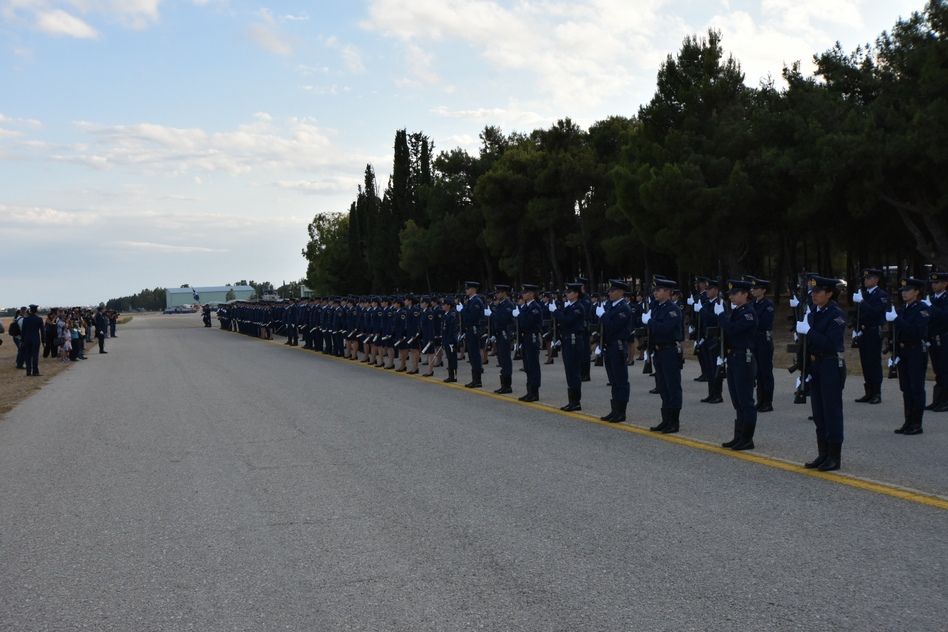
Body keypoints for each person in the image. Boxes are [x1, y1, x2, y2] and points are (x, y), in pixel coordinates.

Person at [795, 275, 846, 471]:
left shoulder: (836, 314)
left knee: (831, 411)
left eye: (818, 292)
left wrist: (809, 332)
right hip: (815, 366)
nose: (814, 295)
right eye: (812, 292)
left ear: (829, 294)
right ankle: (823, 453)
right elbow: (807, 345)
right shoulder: (813, 313)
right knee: (818, 411)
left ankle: (834, 456)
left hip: (830, 364)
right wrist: (804, 368)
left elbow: (832, 344)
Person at [716, 280, 758, 450]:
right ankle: (739, 436)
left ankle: (747, 438)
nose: (731, 297)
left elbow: (732, 329)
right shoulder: (737, 312)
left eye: (734, 294)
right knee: (737, 401)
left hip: (743, 359)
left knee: (746, 400)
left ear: (745, 294)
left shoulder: (749, 314)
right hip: (733, 358)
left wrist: (721, 316)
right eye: (730, 294)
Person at [888, 277, 931, 435]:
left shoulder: (922, 309)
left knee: (916, 388)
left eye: (908, 290)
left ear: (917, 292)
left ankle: (917, 423)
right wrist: (893, 352)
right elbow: (896, 333)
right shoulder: (902, 309)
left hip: (916, 351)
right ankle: (908, 421)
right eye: (903, 291)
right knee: (906, 388)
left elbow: (916, 331)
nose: (904, 293)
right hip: (903, 351)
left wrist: (897, 320)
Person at [646, 277, 684, 433]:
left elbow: (664, 328)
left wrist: (649, 321)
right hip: (659, 351)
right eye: (654, 290)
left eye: (658, 290)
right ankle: (665, 419)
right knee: (662, 386)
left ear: (668, 292)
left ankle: (674, 421)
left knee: (672, 386)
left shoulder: (673, 309)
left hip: (669, 350)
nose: (655, 292)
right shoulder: (657, 307)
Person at [851, 268, 888, 404]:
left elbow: (875, 312)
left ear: (876, 279)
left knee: (874, 362)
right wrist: (855, 327)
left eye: (869, 278)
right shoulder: (864, 295)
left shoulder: (881, 295)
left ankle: (877, 392)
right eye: (865, 278)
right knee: (865, 362)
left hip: (873, 331)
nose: (866, 280)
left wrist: (861, 302)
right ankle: (869, 391)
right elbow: (858, 315)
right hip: (863, 332)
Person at [598, 280, 633, 422]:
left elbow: (613, 326)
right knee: (613, 380)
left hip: (618, 346)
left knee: (621, 380)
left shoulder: (624, 308)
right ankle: (615, 410)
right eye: (609, 290)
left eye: (613, 290)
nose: (609, 293)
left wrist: (603, 315)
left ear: (621, 292)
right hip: (609, 345)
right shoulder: (609, 306)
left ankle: (621, 412)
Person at [551, 282, 587, 411]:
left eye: (569, 292)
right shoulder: (570, 306)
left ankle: (576, 401)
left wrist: (555, 311)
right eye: (566, 292)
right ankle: (572, 400)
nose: (567, 294)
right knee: (569, 371)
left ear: (576, 294)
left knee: (574, 372)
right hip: (567, 340)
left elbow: (565, 321)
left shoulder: (578, 307)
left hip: (574, 341)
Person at [749, 277, 776, 412]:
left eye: (757, 288)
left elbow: (764, 323)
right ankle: (760, 401)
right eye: (753, 288)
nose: (753, 291)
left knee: (766, 372)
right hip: (754, 340)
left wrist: (752, 321)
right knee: (758, 372)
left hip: (763, 340)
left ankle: (768, 402)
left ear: (763, 290)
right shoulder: (753, 304)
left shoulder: (768, 305)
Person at [925, 271, 948, 412]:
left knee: (945, 370)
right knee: (937, 370)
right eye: (933, 282)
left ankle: (945, 400)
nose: (934, 285)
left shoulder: (946, 299)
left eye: (937, 282)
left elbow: (945, 317)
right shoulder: (931, 299)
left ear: (945, 283)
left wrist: (931, 308)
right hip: (933, 338)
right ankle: (937, 399)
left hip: (945, 338)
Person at [517, 284, 543, 402]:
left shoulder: (535, 307)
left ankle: (534, 392)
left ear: (532, 294)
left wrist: (520, 319)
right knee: (527, 365)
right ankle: (529, 391)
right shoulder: (525, 307)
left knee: (533, 365)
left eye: (526, 292)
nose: (523, 294)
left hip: (531, 337)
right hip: (526, 338)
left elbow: (527, 324)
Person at [490, 285, 516, 394]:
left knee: (505, 359)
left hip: (505, 334)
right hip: (499, 334)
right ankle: (503, 384)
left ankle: (507, 385)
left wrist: (494, 311)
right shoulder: (501, 304)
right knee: (501, 358)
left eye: (498, 292)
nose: (496, 295)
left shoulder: (508, 305)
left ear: (504, 293)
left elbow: (503, 319)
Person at [459, 282, 485, 388]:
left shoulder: (476, 301)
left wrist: (463, 310)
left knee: (474, 355)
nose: (466, 290)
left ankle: (477, 380)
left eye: (468, 288)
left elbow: (472, 317)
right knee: (471, 355)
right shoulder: (471, 301)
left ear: (474, 289)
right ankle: (474, 379)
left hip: (474, 329)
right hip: (469, 330)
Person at [20, 304, 44, 377]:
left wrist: (22, 341)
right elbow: (42, 331)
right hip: (35, 339)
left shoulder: (25, 319)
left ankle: (28, 371)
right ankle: (35, 371)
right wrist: (44, 341)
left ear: (30, 310)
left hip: (27, 339)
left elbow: (23, 331)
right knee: (35, 356)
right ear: (36, 310)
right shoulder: (39, 319)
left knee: (28, 356)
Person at [441, 297, 459, 383]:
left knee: (452, 359)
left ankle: (454, 376)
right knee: (449, 358)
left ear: (448, 306)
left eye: (444, 305)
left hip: (451, 341)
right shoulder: (446, 315)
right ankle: (450, 375)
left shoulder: (451, 315)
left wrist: (451, 341)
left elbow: (452, 330)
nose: (442, 306)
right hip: (446, 340)